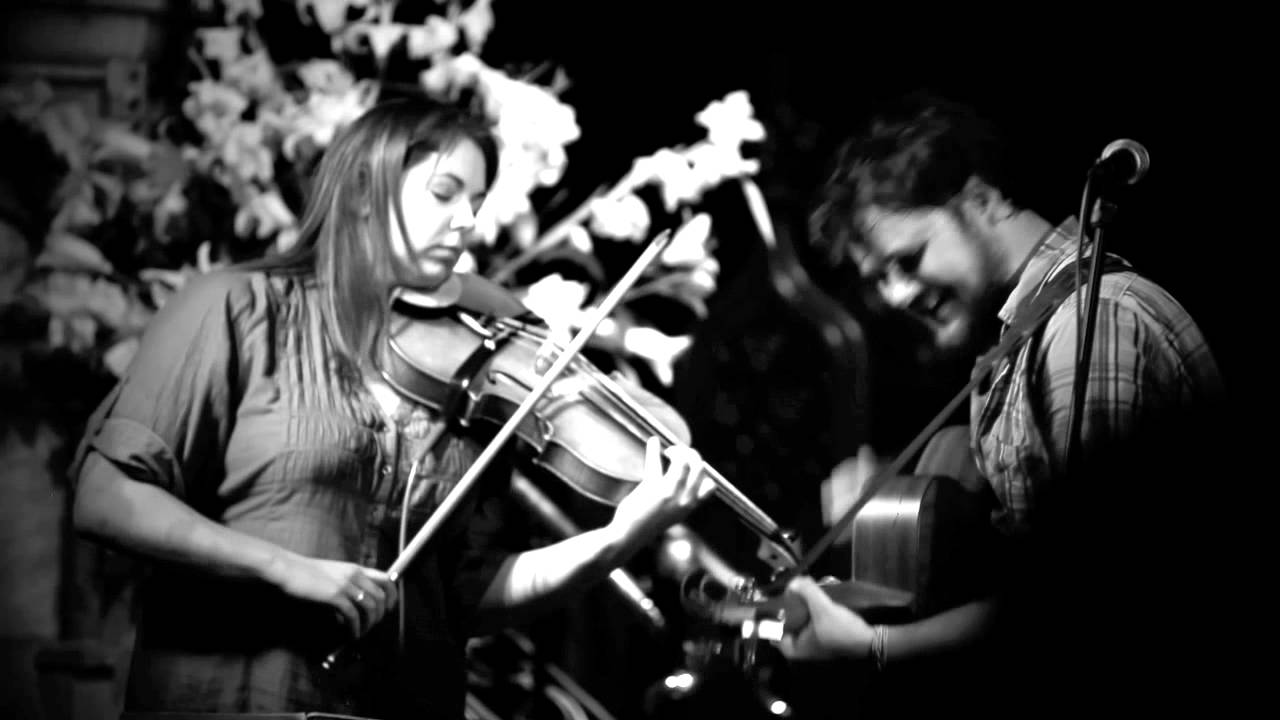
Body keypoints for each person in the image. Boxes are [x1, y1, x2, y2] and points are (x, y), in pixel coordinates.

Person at [68, 96, 712, 719]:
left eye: (477, 201)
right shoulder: (233, 307)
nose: (467, 221)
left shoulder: (470, 376)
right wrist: (285, 569)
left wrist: (616, 539)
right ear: (362, 190)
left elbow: (467, 595)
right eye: (444, 193)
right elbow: (104, 496)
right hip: (233, 700)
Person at [779, 91, 1227, 715]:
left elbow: (1085, 603)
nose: (898, 293)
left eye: (907, 259)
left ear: (982, 202)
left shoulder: (1090, 325)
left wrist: (877, 645)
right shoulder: (1032, 341)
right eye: (879, 277)